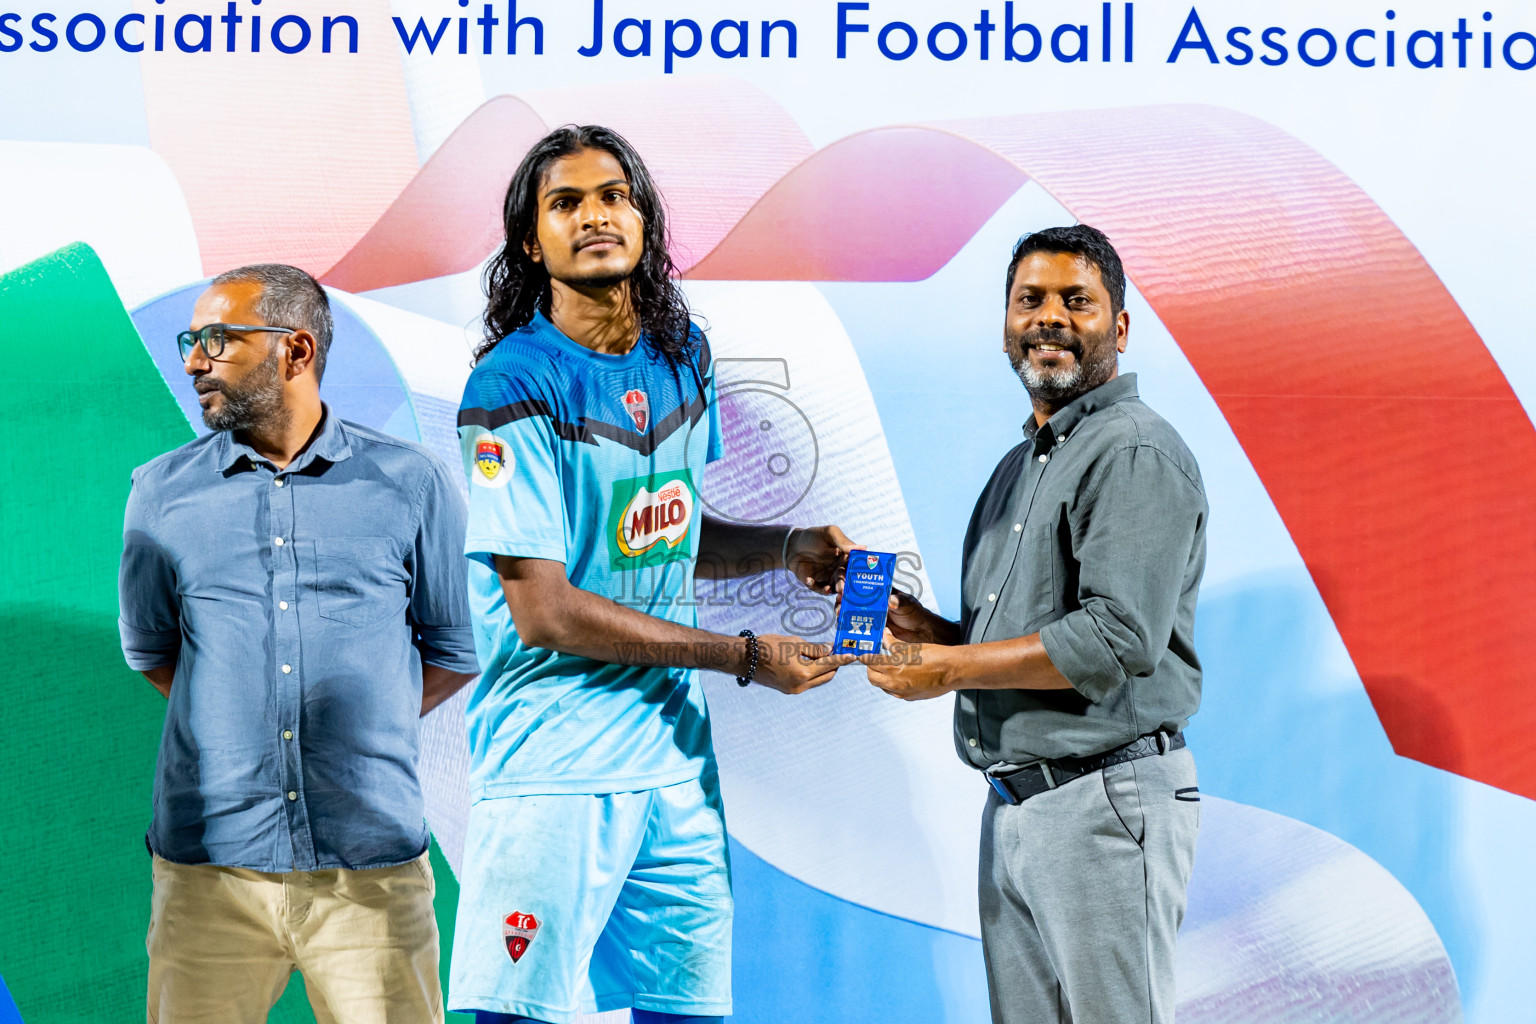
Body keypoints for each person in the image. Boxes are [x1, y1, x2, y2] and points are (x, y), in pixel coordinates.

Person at [450, 125, 857, 1024]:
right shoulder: (513, 384)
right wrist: (743, 654)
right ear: (531, 241)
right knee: (518, 1015)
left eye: (613, 196)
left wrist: (786, 547)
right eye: (566, 203)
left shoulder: (684, 360)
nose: (595, 216)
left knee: (688, 1013)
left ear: (645, 220)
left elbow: (663, 534)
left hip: (675, 761)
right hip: (554, 762)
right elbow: (546, 610)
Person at [117, 264, 480, 1024]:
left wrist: (360, 727)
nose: (193, 362)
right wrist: (243, 716)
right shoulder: (159, 492)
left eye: (217, 339)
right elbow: (156, 654)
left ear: (296, 349)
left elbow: (449, 650)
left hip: (371, 870)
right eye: (191, 341)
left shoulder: (411, 483)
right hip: (209, 873)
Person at [862, 225, 1206, 1024]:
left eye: (1076, 301)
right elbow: (1008, 647)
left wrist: (945, 671)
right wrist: (922, 629)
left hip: (1104, 799)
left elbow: (1116, 639)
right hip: (1019, 808)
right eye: (1030, 300)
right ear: (1006, 323)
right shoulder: (1022, 466)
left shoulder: (1133, 452)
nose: (1049, 317)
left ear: (1118, 328)